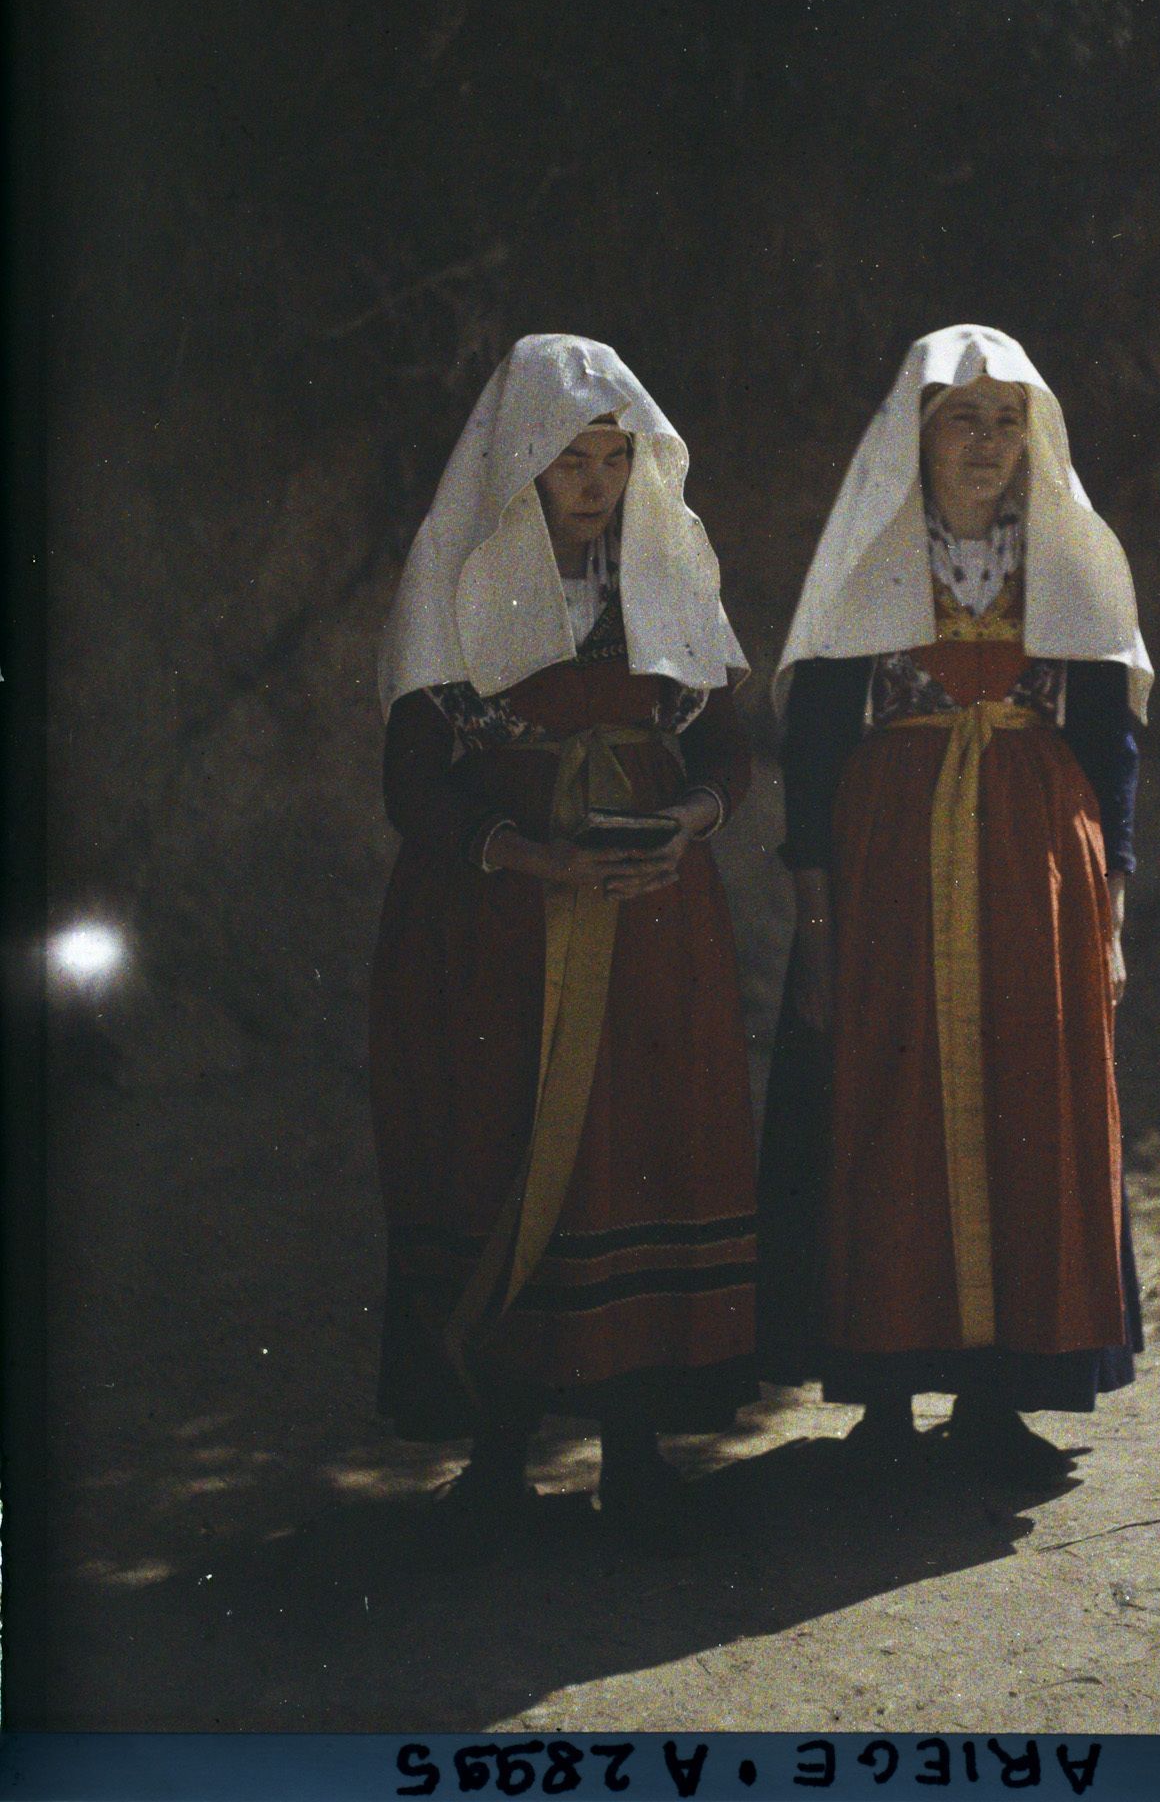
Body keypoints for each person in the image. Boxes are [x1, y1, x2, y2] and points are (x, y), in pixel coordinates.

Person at [370, 333, 756, 1546]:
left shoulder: (669, 576)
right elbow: (412, 781)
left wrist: (690, 818)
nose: (592, 482)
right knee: (501, 1141)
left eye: (611, 457)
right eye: (566, 459)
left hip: (651, 919)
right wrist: (522, 852)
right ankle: (498, 1449)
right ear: (519, 468)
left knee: (642, 1151)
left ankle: (634, 1449)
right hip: (498, 924)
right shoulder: (455, 581)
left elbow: (730, 747)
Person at [760, 324, 1152, 1490]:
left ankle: (994, 1395)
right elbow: (815, 748)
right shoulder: (868, 563)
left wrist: (1115, 916)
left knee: (1027, 1101)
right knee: (887, 1097)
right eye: (959, 419)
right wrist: (819, 928)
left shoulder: (1072, 561)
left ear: (1033, 436)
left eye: (1004, 420)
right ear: (914, 435)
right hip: (889, 869)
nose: (984, 443)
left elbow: (1111, 748)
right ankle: (883, 1392)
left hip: (1038, 869)